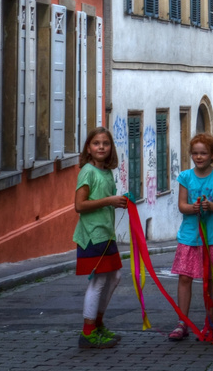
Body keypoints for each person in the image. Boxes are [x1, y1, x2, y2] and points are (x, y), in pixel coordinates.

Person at [168, 132, 213, 341]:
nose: (199, 157)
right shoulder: (185, 177)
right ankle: (182, 323)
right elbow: (182, 206)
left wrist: (210, 206)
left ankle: (210, 323)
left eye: (203, 153)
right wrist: (193, 208)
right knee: (184, 277)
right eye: (195, 153)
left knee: (209, 280)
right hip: (189, 237)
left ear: (212, 154)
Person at [74, 126, 128, 349]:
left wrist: (120, 201)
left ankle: (97, 324)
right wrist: (110, 201)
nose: (101, 147)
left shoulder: (106, 172)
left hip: (106, 234)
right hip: (92, 235)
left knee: (114, 277)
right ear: (89, 147)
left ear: (111, 148)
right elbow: (79, 205)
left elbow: (106, 199)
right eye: (96, 143)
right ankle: (88, 332)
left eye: (105, 143)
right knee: (99, 281)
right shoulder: (87, 171)